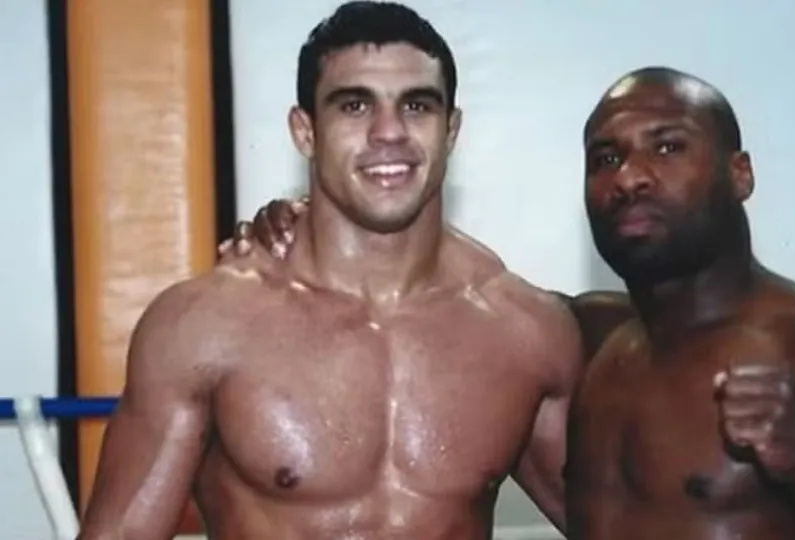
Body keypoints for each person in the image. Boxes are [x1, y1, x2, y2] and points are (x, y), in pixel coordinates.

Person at [228, 67, 795, 539]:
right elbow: (448, 295)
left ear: (739, 174)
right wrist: (323, 224)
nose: (630, 176)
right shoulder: (590, 336)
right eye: (606, 158)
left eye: (667, 147)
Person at [76, 3, 582, 539]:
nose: (389, 131)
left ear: (451, 130)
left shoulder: (523, 333)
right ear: (305, 131)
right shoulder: (205, 327)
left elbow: (616, 518)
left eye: (417, 105)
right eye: (355, 106)